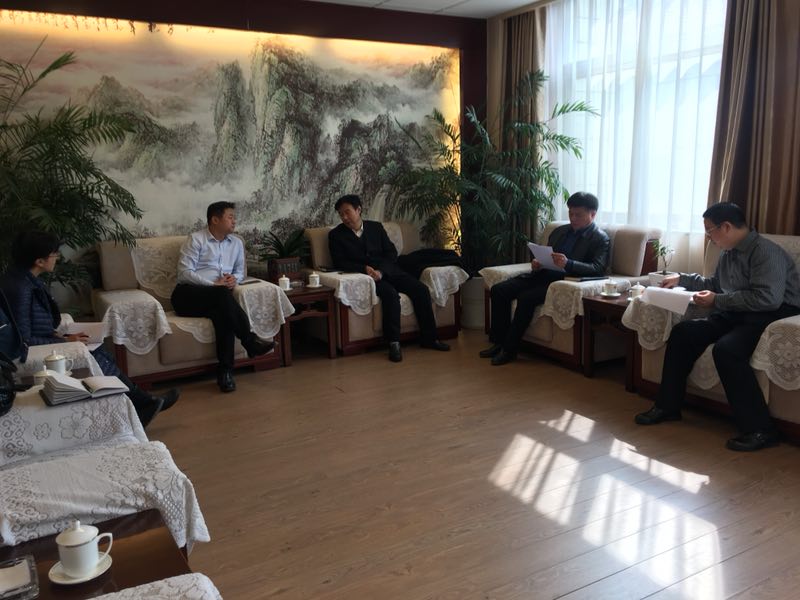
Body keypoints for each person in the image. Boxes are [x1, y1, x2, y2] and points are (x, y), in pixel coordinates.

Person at [635, 202, 800, 451]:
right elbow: (717, 284)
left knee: (727, 350)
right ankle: (667, 407)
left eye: (710, 231)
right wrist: (682, 279)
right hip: (737, 311)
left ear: (726, 227)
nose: (709, 237)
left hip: (770, 316)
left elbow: (767, 298)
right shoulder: (729, 252)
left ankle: (761, 430)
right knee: (683, 333)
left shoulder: (765, 252)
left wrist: (718, 300)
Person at [0, 231, 179, 427]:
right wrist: (65, 341)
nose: (57, 257)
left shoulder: (25, 279)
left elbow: (32, 326)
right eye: (54, 254)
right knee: (94, 354)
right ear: (39, 261)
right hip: (29, 354)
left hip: (47, 340)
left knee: (99, 349)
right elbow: (23, 340)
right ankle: (142, 402)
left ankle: (141, 402)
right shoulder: (21, 289)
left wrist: (60, 335)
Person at [481, 192, 610, 365]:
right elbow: (548, 254)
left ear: (592, 214)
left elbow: (598, 268)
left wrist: (569, 263)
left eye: (578, 215)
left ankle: (509, 350)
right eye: (570, 213)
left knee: (526, 298)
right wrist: (538, 262)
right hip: (542, 274)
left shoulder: (600, 239)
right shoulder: (560, 231)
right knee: (499, 290)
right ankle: (498, 342)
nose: (572, 218)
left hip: (563, 282)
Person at [328, 194, 450, 362]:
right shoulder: (336, 235)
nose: (344, 217)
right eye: (341, 214)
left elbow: (391, 253)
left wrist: (382, 271)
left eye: (347, 212)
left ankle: (430, 339)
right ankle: (394, 343)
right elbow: (340, 262)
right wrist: (364, 269)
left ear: (358, 210)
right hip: (366, 278)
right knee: (390, 295)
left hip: (388, 271)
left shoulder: (376, 228)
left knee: (421, 290)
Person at [171, 201, 274, 393]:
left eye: (234, 217)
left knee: (223, 315)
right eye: (230, 217)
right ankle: (250, 341)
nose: (234, 221)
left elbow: (239, 272)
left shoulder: (236, 243)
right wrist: (213, 285)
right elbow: (184, 273)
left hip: (219, 298)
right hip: (187, 295)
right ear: (215, 220)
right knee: (221, 295)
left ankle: (226, 373)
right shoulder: (196, 239)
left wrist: (234, 279)